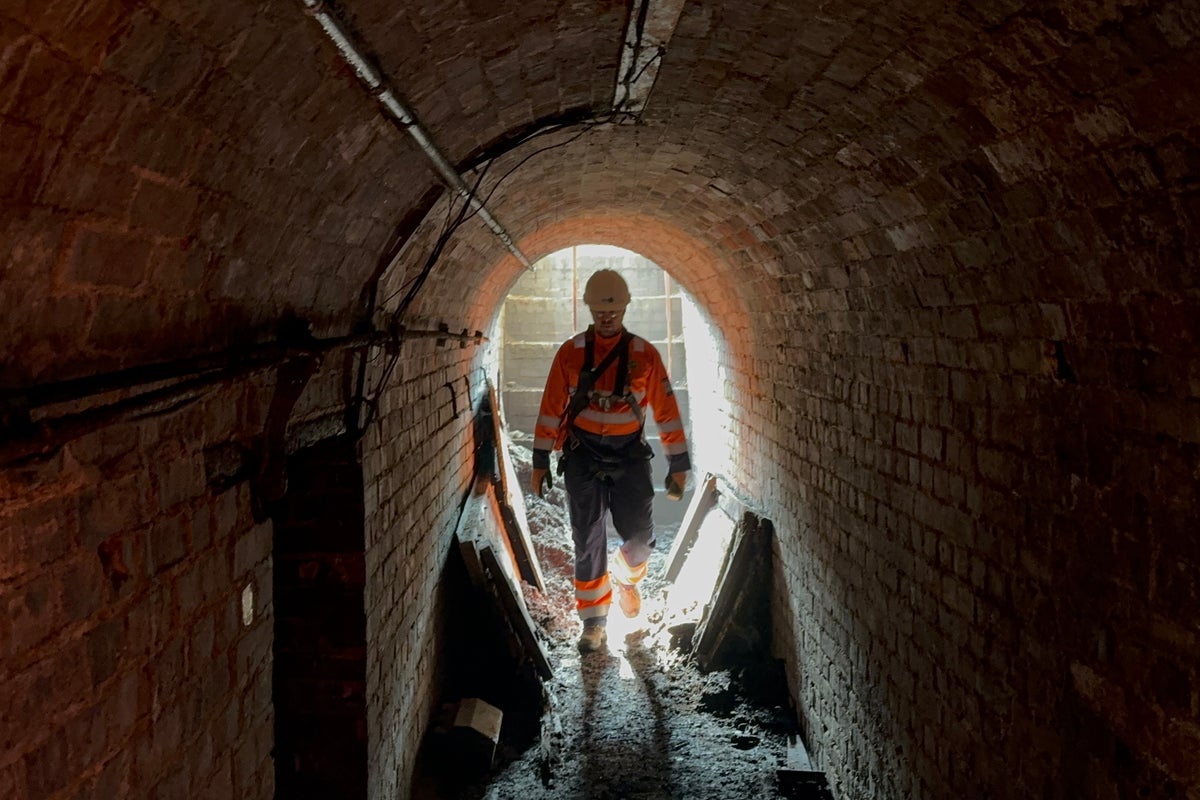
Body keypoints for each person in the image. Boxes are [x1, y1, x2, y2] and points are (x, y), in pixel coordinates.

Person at [530, 269, 690, 653]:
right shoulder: (571, 353)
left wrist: (679, 463)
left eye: (614, 310)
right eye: (600, 310)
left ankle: (626, 580)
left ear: (624, 309)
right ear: (589, 309)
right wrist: (540, 460)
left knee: (638, 539)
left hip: (629, 456)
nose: (606, 317)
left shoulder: (643, 355)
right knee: (587, 538)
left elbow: (666, 411)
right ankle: (593, 623)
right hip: (583, 456)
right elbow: (552, 407)